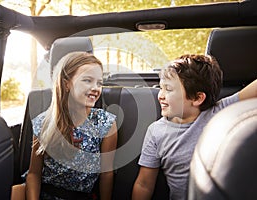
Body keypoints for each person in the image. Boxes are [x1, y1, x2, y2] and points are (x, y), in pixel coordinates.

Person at [132, 54, 257, 200]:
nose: (161, 95)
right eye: (161, 88)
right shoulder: (156, 132)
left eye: (169, 89)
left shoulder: (220, 111)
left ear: (197, 98)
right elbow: (144, 184)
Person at [19, 51, 117, 200]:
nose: (96, 88)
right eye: (87, 80)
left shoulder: (105, 124)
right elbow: (34, 173)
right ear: (67, 84)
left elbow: (106, 174)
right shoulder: (44, 122)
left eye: (99, 83)